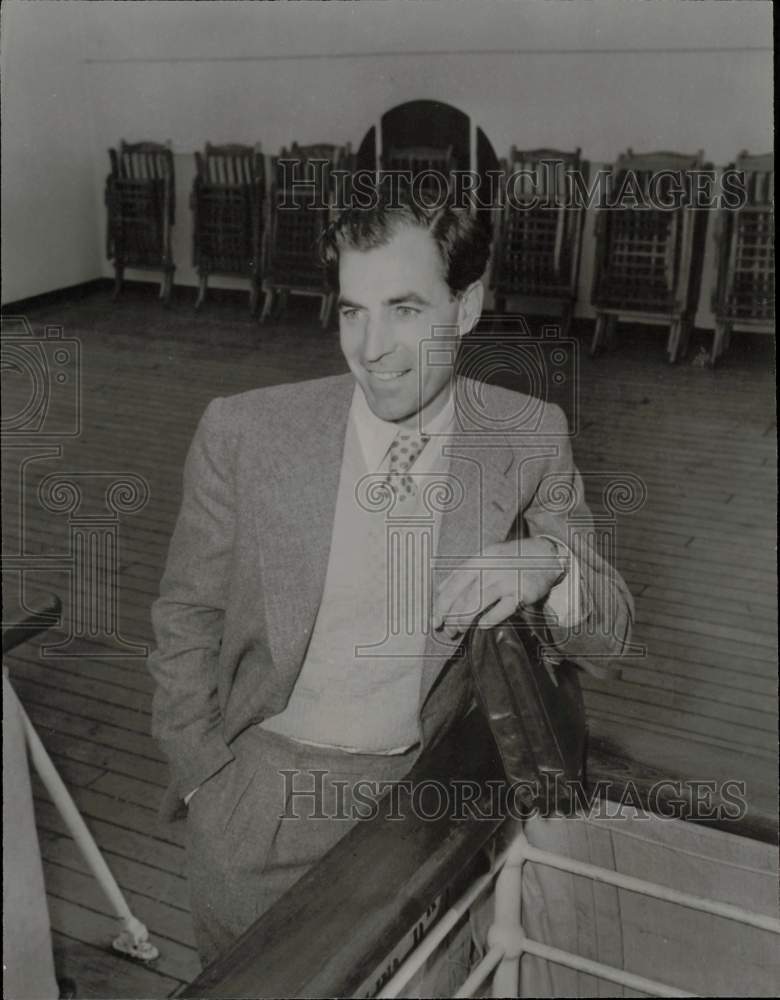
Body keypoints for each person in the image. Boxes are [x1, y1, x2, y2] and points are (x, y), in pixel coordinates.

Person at [147, 192, 633, 965]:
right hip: (255, 803)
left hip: (420, 807)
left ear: (466, 306)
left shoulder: (528, 437)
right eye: (351, 312)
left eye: (405, 310)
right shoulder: (245, 432)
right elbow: (184, 619)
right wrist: (208, 780)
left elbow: (610, 635)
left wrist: (553, 562)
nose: (372, 348)